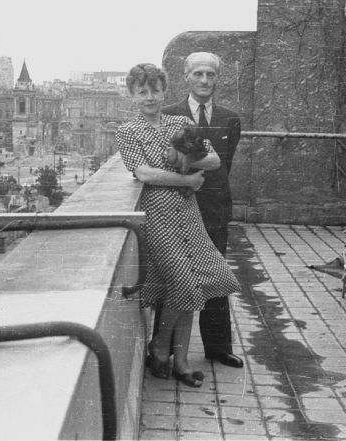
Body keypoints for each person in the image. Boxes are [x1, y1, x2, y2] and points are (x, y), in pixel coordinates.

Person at [116, 63, 240, 388]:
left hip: (188, 212)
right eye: (142, 92)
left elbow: (214, 160)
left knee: (194, 283)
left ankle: (181, 361)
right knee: (184, 283)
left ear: (164, 91)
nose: (150, 97)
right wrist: (187, 179)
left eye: (155, 90)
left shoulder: (180, 123)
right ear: (132, 95)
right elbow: (144, 173)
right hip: (156, 215)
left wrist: (184, 158)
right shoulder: (128, 131)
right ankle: (160, 347)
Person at [160, 52, 244, 369]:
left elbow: (224, 166)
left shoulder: (230, 119)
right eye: (198, 74)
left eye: (210, 74)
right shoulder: (170, 115)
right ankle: (164, 350)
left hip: (215, 208)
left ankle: (218, 347)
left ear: (217, 78)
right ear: (186, 77)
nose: (205, 80)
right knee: (173, 276)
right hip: (178, 206)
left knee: (216, 274)